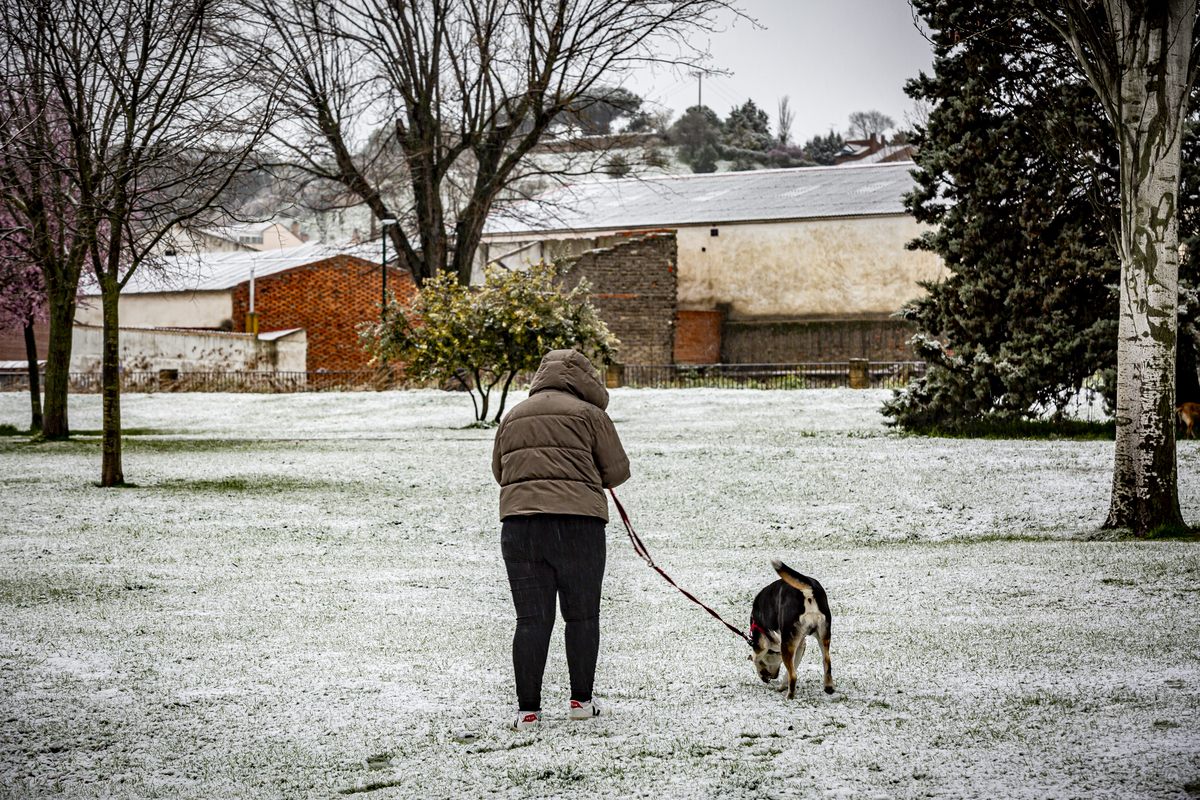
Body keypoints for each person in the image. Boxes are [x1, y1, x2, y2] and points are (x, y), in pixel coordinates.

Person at [491, 349, 630, 731]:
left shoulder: (513, 415)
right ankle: (581, 702)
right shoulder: (591, 416)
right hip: (578, 527)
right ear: (585, 379)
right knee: (582, 616)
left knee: (531, 620)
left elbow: (500, 471)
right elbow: (617, 471)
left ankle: (528, 711)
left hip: (520, 528)